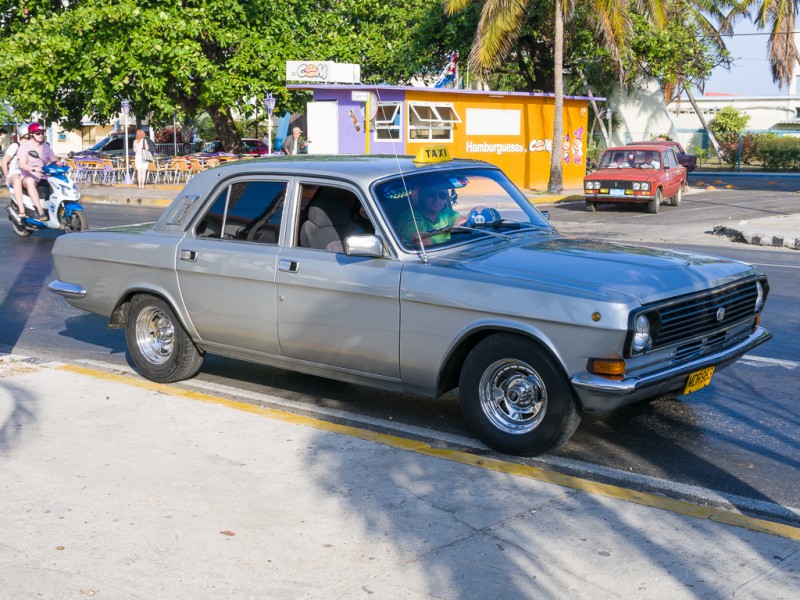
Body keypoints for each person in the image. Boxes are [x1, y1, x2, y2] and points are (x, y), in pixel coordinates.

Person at [397, 181, 466, 247]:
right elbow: (427, 246)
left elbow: (463, 224)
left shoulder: (444, 212)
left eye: (442, 195)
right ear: (421, 195)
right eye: (431, 194)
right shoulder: (410, 218)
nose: (437, 199)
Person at [17, 122, 56, 220]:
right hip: (29, 176)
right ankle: (41, 211)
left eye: (42, 133)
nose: (41, 135)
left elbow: (53, 158)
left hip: (44, 175)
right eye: (37, 133)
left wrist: (60, 164)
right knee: (29, 181)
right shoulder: (24, 147)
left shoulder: (45, 147)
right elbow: (22, 164)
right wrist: (33, 169)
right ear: (31, 134)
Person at [1, 123, 29, 221]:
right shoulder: (15, 146)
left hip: (29, 174)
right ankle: (21, 209)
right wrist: (6, 178)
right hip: (15, 173)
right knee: (17, 179)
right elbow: (4, 162)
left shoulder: (34, 146)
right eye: (28, 136)